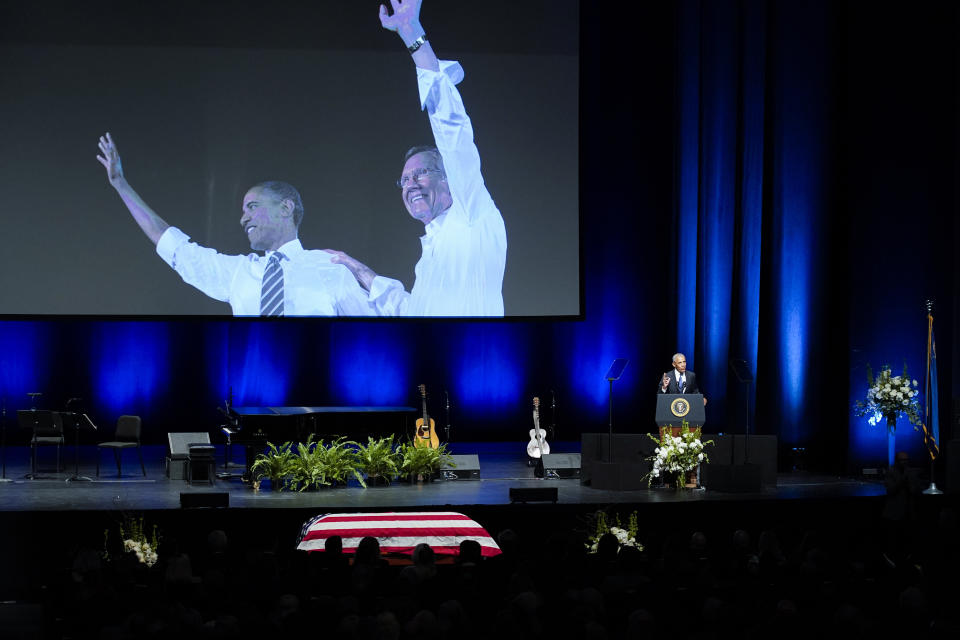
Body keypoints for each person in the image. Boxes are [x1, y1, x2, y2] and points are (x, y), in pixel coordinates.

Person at [326, 0, 507, 317]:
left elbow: (453, 132)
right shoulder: (429, 255)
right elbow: (410, 310)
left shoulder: (471, 215)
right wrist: (355, 268)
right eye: (405, 179)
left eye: (421, 174)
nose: (410, 185)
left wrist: (413, 34)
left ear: (448, 177)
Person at [96, 133, 376, 316]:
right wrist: (121, 186)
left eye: (252, 207)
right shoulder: (239, 272)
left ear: (286, 208)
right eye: (243, 210)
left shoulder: (330, 268)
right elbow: (176, 248)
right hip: (252, 395)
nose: (243, 218)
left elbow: (371, 334)